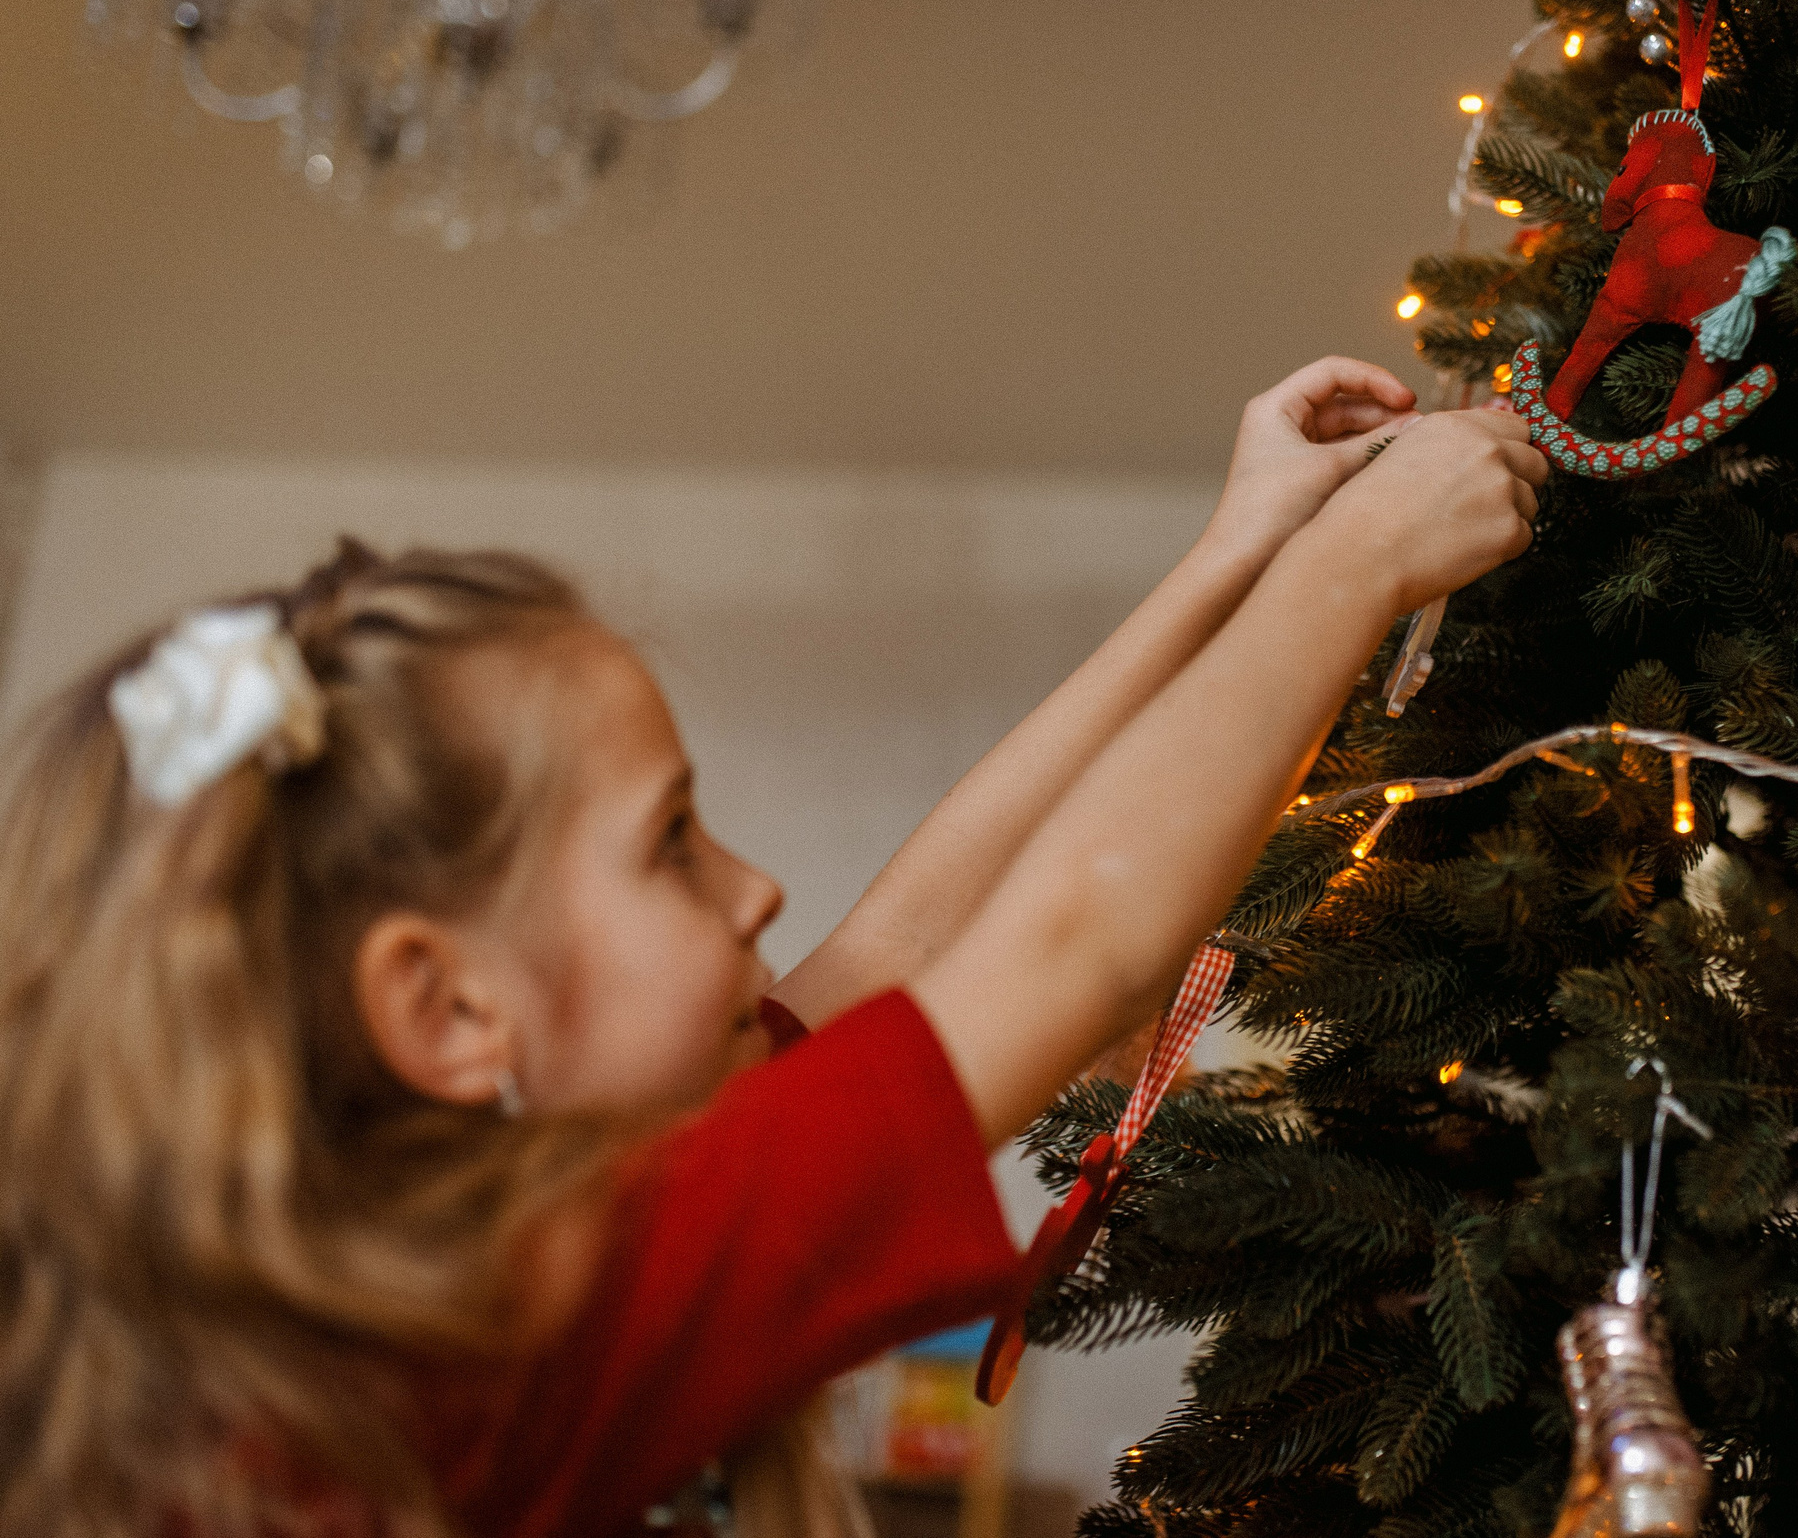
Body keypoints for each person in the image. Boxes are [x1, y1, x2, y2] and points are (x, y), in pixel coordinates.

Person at [0, 358, 1547, 1538]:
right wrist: (1354, 575)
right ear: (447, 1003)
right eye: (671, 840)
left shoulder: (496, 1278)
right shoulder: (485, 1354)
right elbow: (1072, 939)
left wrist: (1236, 551)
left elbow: (906, 949)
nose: (756, 890)